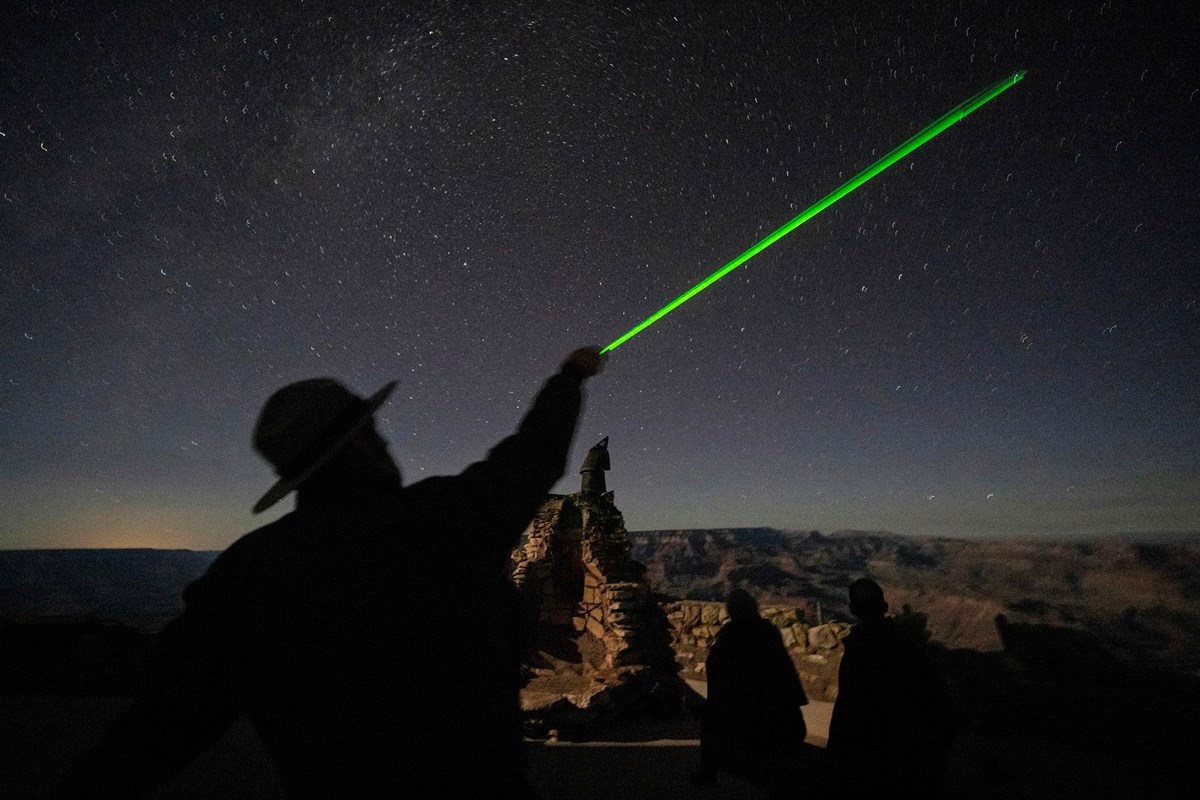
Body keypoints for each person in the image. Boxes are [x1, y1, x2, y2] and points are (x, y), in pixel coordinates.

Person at [52, 347, 604, 799]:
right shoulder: (442, 520)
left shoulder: (244, 577)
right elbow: (533, 454)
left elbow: (158, 730)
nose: (386, 441)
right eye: (375, 431)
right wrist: (569, 378)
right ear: (361, 441)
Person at [827, 578, 953, 799]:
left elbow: (848, 710)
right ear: (884, 607)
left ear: (852, 610)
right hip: (914, 761)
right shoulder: (910, 646)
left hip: (876, 762)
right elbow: (935, 700)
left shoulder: (858, 651)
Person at [695, 589, 809, 796]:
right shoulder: (768, 632)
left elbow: (718, 675)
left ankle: (707, 773)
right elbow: (784, 669)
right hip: (776, 710)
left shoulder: (730, 637)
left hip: (743, 712)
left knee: (709, 723)